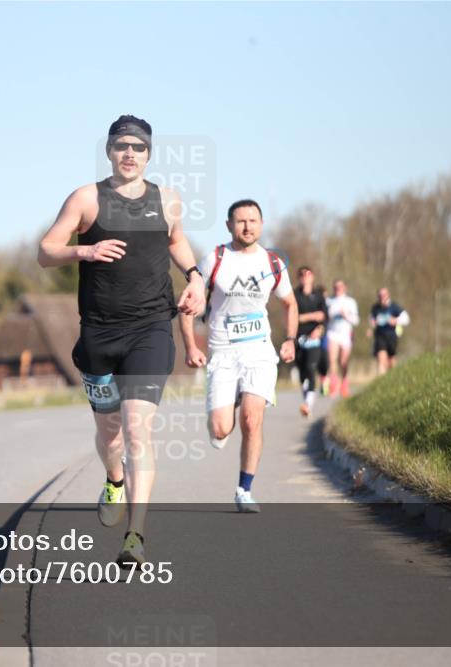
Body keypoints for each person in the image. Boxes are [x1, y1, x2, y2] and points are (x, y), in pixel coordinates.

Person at [38, 115, 206, 565]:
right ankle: (114, 479)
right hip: (98, 331)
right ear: (110, 151)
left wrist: (195, 276)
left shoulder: (167, 200)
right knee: (110, 434)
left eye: (138, 147)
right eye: (121, 146)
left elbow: (178, 241)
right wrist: (85, 250)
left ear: (149, 154)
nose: (129, 153)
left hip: (151, 327)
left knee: (137, 429)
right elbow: (45, 250)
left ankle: (136, 535)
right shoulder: (86, 198)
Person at [179, 199, 297, 512]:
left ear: (261, 224)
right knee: (220, 429)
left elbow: (290, 304)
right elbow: (188, 304)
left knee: (251, 419)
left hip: (259, 352)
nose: (247, 226)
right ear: (229, 225)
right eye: (241, 221)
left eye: (253, 220)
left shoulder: (272, 263)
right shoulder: (215, 259)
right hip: (223, 353)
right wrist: (191, 345)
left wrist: (290, 340)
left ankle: (244, 490)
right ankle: (226, 404)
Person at [293, 267, 327, 417]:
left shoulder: (319, 296)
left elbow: (324, 316)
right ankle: (307, 400)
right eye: (301, 275)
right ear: (299, 278)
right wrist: (313, 316)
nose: (305, 277)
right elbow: (294, 317)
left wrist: (319, 329)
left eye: (307, 274)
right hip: (299, 339)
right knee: (302, 374)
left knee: (311, 368)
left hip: (314, 340)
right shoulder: (294, 295)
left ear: (312, 276)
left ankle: (308, 404)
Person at [325, 280, 360, 397]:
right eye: (336, 286)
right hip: (333, 333)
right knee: (332, 360)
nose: (338, 288)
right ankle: (334, 385)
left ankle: (344, 383)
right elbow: (325, 317)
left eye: (340, 286)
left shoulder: (350, 302)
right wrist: (332, 315)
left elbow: (356, 321)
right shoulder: (329, 301)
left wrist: (346, 316)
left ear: (345, 288)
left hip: (345, 334)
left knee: (343, 361)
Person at [367, 287, 410, 375]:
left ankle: (392, 377)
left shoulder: (394, 307)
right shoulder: (375, 308)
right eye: (380, 295)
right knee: (381, 357)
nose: (382, 297)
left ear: (388, 295)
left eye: (384, 295)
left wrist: (396, 320)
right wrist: (371, 328)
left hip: (392, 336)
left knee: (391, 361)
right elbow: (372, 320)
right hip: (380, 335)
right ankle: (381, 379)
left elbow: (406, 319)